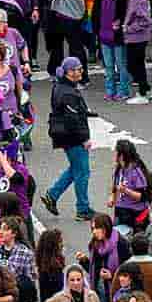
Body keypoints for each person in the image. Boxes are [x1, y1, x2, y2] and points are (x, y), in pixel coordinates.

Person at [42, 57, 94, 220]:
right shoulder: (68, 93)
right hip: (73, 137)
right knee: (82, 172)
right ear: (69, 72)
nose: (81, 72)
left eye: (81, 68)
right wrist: (84, 138)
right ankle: (82, 209)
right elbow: (73, 120)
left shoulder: (60, 86)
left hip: (65, 135)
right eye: (77, 69)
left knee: (75, 169)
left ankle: (52, 195)